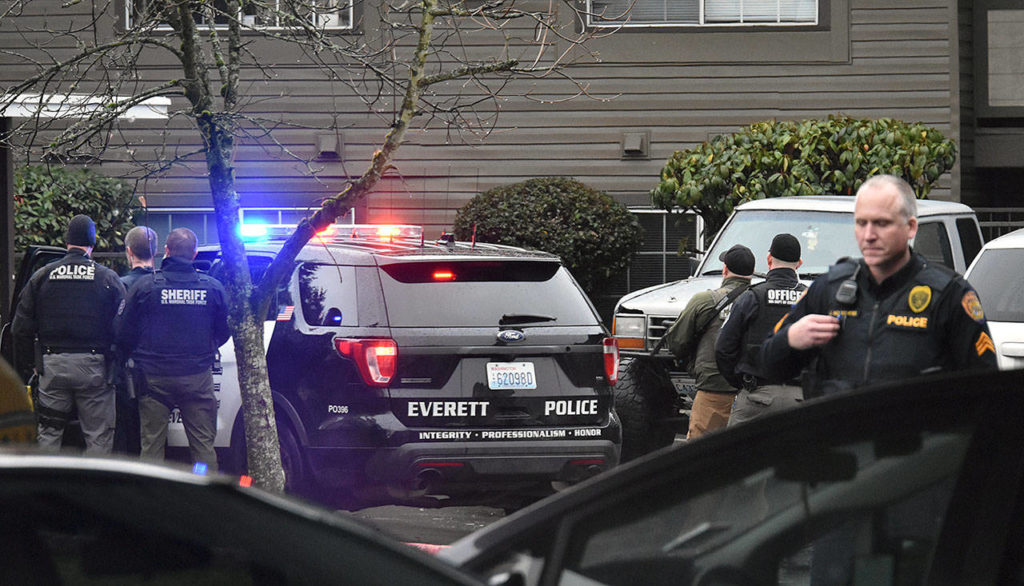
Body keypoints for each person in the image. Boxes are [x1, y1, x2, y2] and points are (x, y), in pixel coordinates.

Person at [760, 174, 998, 397]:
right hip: (838, 438)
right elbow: (767, 365)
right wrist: (790, 339)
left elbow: (985, 389)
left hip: (916, 440)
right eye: (861, 223)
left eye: (882, 223)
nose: (869, 235)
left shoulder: (949, 294)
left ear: (911, 228)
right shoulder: (828, 288)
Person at [116, 228, 230, 470]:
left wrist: (138, 355)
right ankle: (203, 492)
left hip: (153, 380)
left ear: (166, 251)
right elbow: (224, 331)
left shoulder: (145, 287)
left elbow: (123, 332)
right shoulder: (213, 288)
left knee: (151, 446)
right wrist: (203, 350)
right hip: (197, 378)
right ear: (195, 254)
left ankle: (151, 501)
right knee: (202, 447)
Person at [11, 214, 126, 453]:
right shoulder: (108, 278)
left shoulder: (41, 276)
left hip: (52, 368)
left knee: (48, 436)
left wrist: (31, 366)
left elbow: (20, 328)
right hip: (95, 369)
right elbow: (123, 328)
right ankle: (94, 489)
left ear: (67, 243)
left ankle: (46, 488)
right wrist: (115, 363)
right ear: (92, 245)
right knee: (98, 437)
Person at [662, 244, 754, 439]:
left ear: (725, 269)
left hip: (713, 389)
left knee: (700, 455)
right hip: (753, 393)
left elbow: (677, 343)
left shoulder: (704, 300)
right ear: (752, 272)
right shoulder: (759, 300)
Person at [716, 233, 808, 425]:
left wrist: (741, 382)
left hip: (756, 398)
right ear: (799, 263)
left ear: (768, 259)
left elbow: (723, 348)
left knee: (735, 454)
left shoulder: (752, 297)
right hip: (802, 400)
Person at [113, 226, 159, 455]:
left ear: (129, 252)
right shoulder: (163, 284)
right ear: (157, 252)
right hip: (162, 371)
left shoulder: (119, 285)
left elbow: (114, 331)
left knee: (128, 436)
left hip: (128, 374)